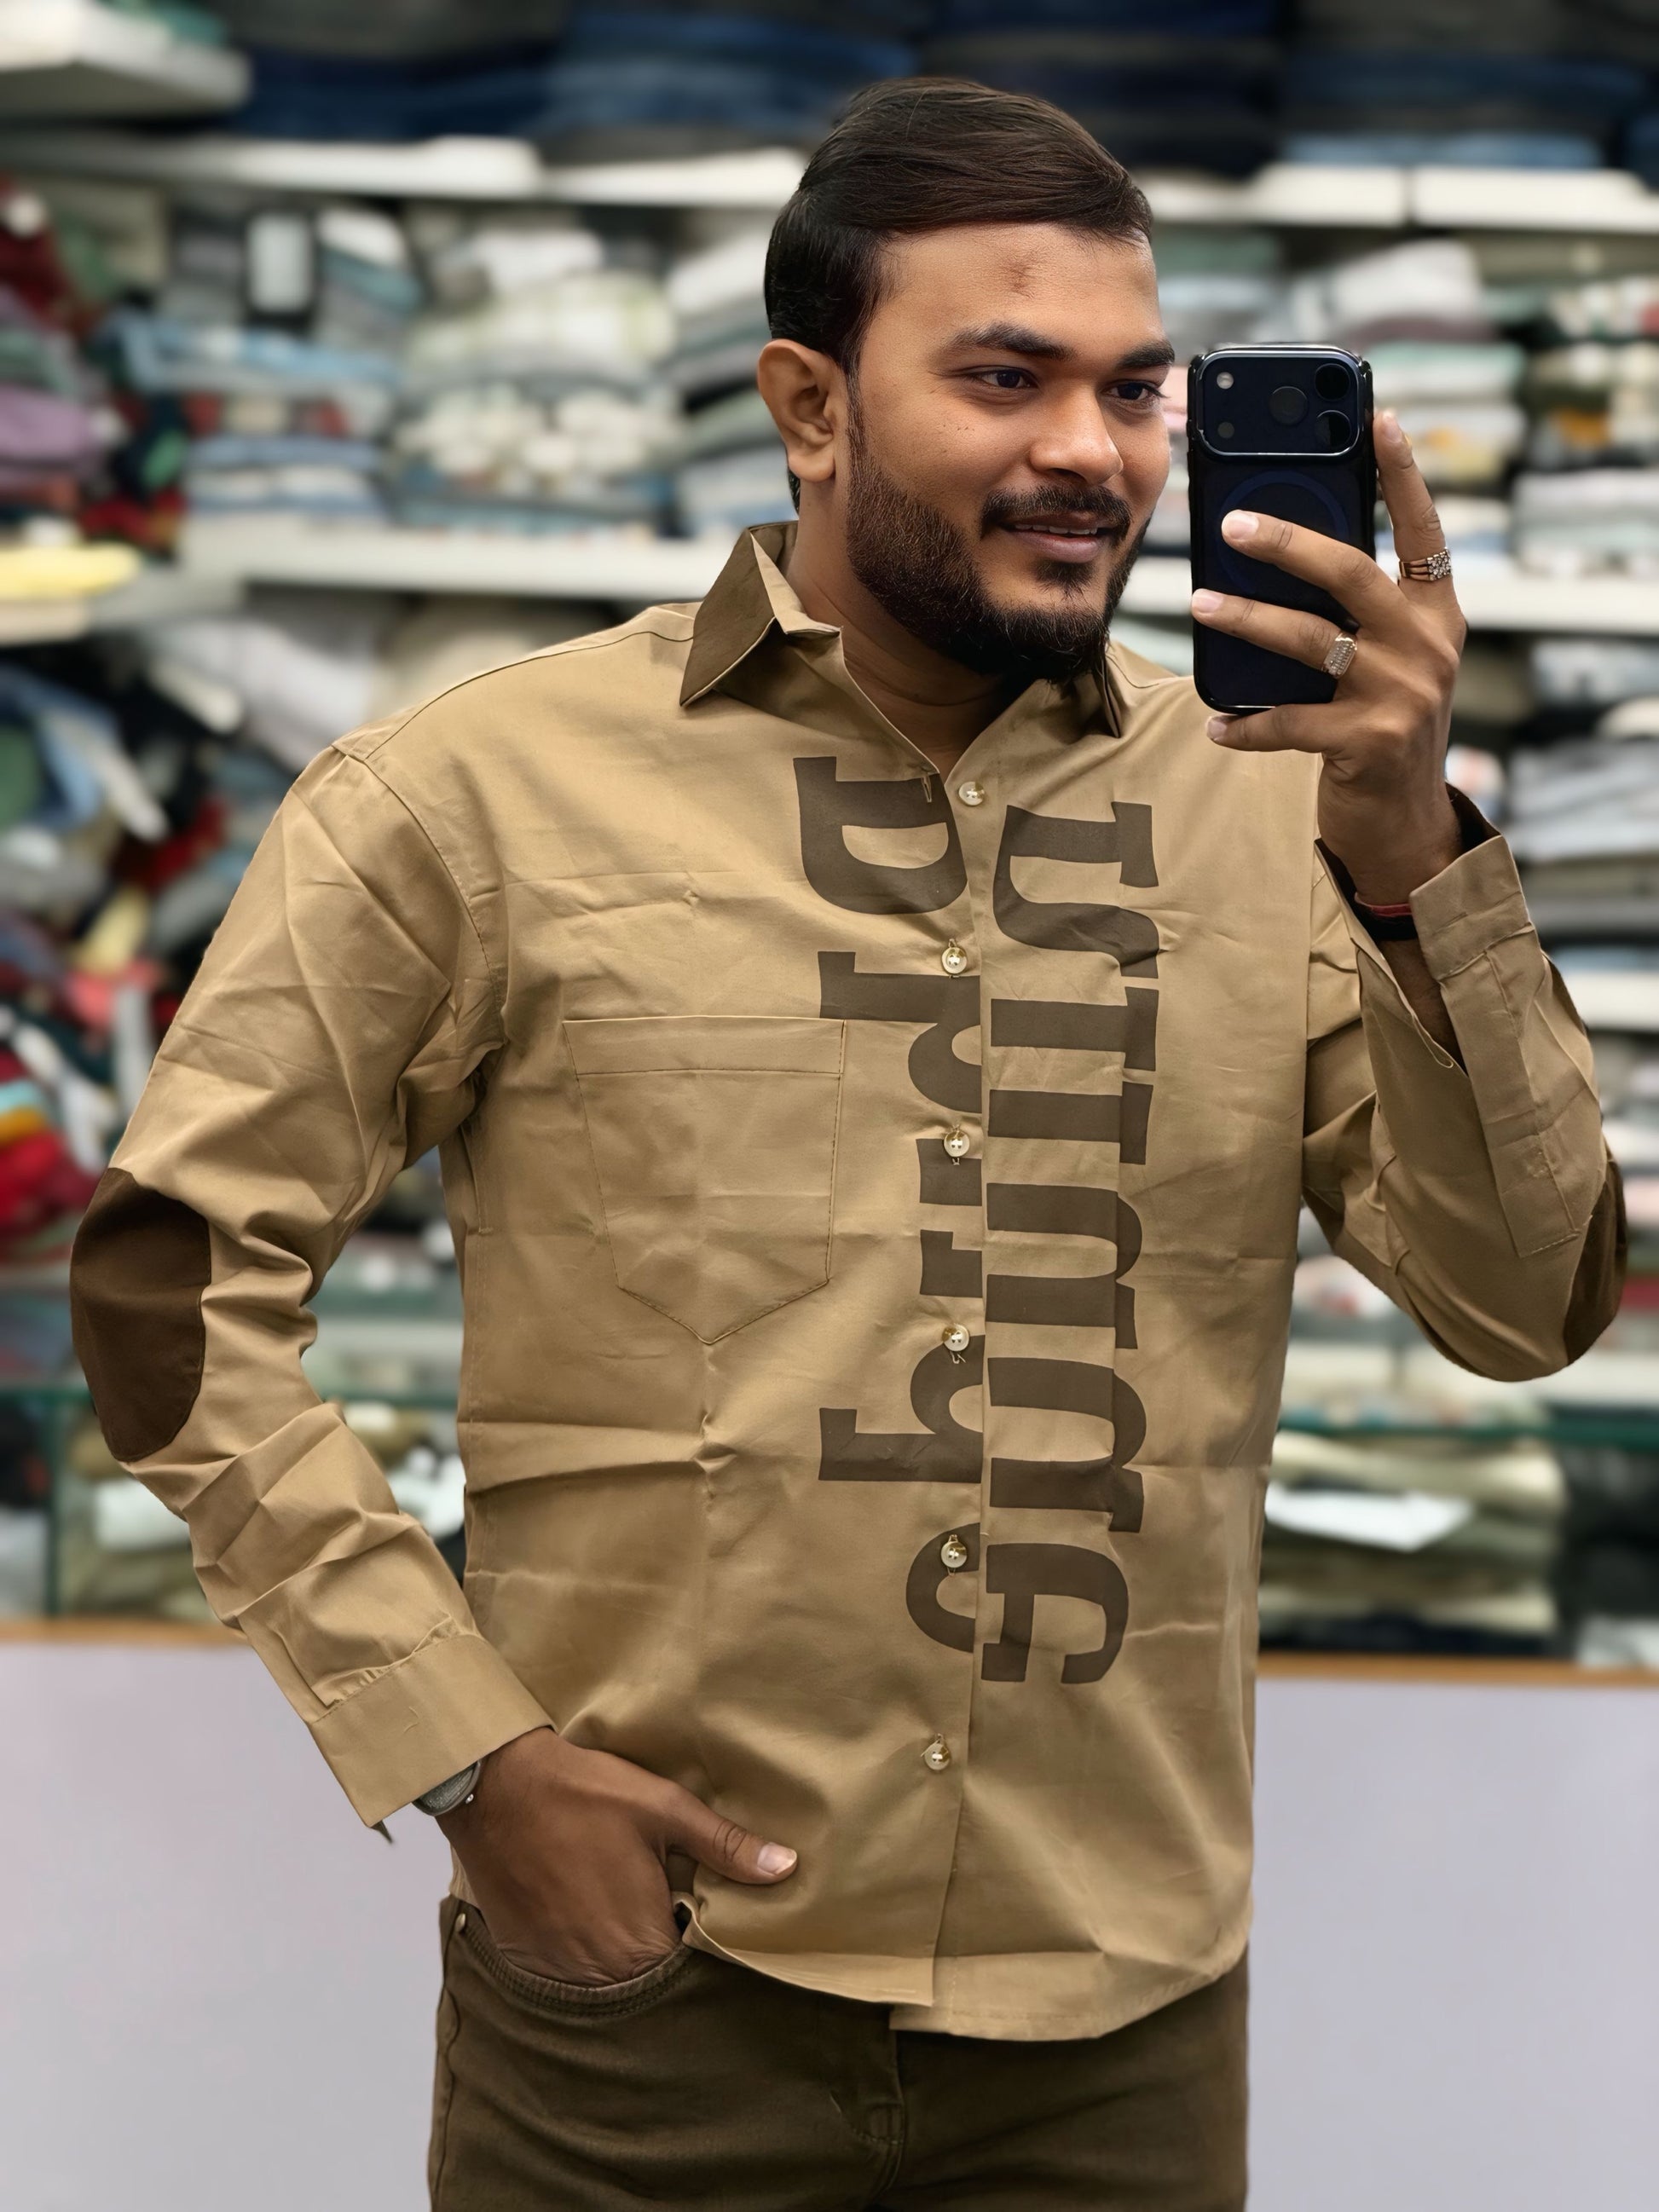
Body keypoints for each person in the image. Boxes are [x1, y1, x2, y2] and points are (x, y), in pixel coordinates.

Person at [69, 78, 1620, 2212]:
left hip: (1119, 2034)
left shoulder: (1279, 811)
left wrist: (1412, 848)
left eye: (1133, 388)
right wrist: (466, 1752)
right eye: (1004, 377)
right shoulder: (480, 793)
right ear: (810, 406)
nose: (1094, 450)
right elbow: (170, 1286)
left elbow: (1526, 1302)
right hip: (650, 2014)